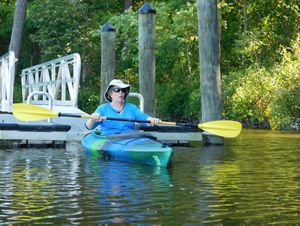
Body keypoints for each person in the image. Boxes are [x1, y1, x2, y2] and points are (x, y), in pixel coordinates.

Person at [85, 79, 161, 135]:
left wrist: (152, 120)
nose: (120, 92)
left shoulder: (132, 108)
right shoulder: (102, 108)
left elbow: (144, 119)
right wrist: (93, 119)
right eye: (117, 90)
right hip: (108, 139)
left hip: (130, 139)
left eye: (123, 90)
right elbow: (89, 126)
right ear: (110, 93)